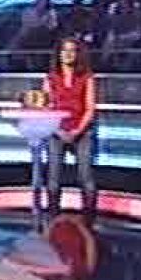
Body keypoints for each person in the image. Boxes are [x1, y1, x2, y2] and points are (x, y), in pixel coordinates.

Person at [43, 36, 98, 225]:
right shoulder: (50, 78)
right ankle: (52, 219)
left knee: (86, 177)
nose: (67, 54)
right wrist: (58, 130)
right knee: (53, 177)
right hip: (56, 131)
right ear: (58, 54)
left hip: (82, 131)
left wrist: (77, 130)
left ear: (77, 54)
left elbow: (90, 108)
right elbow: (47, 108)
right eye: (64, 50)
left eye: (72, 50)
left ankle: (89, 222)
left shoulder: (87, 77)